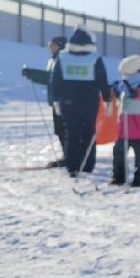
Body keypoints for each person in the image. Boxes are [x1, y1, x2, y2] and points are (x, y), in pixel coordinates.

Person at [51, 26, 110, 177]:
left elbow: (55, 81)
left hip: (68, 102)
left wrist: (56, 100)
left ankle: (72, 165)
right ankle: (88, 165)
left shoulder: (62, 57)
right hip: (89, 101)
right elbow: (102, 80)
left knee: (72, 133)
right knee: (88, 132)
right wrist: (107, 99)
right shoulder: (95, 58)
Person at [21, 35, 68, 167]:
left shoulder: (62, 59)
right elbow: (49, 79)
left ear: (59, 46)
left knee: (64, 129)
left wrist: (32, 73)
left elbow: (50, 78)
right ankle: (68, 156)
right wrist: (31, 75)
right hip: (56, 100)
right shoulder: (53, 60)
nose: (50, 47)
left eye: (52, 45)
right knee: (59, 130)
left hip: (62, 100)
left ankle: (70, 157)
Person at [110, 54, 140, 187]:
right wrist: (116, 91)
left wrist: (132, 92)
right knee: (119, 151)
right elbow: (122, 96)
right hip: (125, 123)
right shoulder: (126, 80)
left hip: (138, 123)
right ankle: (119, 176)